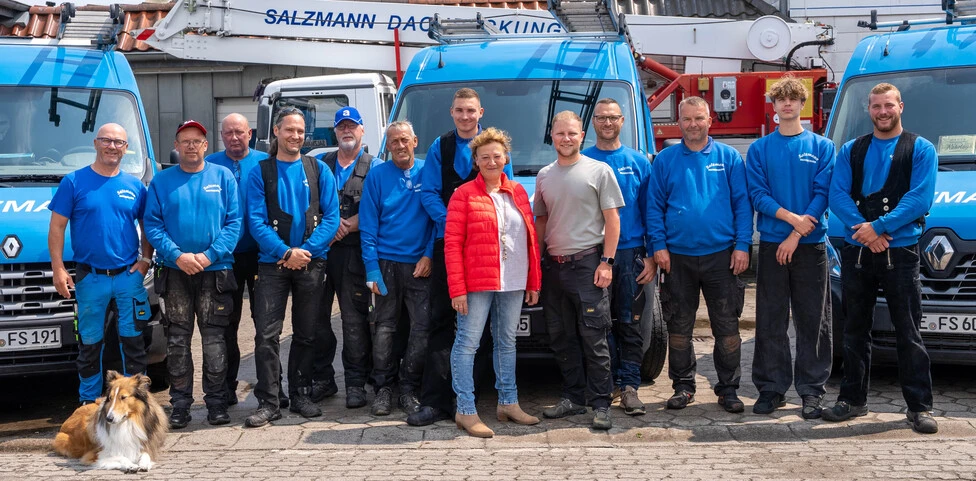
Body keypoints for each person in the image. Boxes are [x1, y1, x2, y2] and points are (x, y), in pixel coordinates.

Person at [823, 82, 939, 434]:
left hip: (901, 253)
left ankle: (919, 407)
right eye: (876, 106)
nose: (883, 112)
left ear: (900, 106)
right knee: (855, 330)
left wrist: (879, 227)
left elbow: (919, 199)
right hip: (858, 251)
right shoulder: (851, 150)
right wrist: (866, 231)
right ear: (868, 110)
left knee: (908, 331)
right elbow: (837, 195)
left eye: (889, 105)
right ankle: (853, 400)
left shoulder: (920, 149)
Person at [414, 88, 514, 426]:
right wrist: (455, 223)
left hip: (487, 250)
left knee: (482, 330)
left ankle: (470, 401)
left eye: (471, 110)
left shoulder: (493, 149)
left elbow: (509, 194)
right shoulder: (439, 147)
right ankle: (435, 402)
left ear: (480, 112)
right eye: (459, 110)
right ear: (452, 112)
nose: (465, 116)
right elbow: (429, 193)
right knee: (442, 322)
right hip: (449, 245)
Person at [646, 96, 752, 414]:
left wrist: (743, 245)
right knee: (679, 328)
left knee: (728, 329)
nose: (693, 124)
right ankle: (683, 387)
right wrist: (658, 246)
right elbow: (654, 207)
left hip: (722, 256)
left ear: (710, 121)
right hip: (677, 257)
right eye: (687, 119)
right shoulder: (665, 160)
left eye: (699, 118)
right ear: (679, 122)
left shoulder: (729, 157)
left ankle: (729, 389)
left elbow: (742, 205)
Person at [243, 108, 340, 427]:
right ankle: (269, 402)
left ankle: (301, 395)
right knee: (266, 336)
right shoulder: (260, 172)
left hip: (311, 264)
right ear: (276, 131)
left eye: (300, 131)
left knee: (307, 333)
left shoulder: (318, 169)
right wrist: (285, 252)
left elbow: (332, 217)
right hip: (272, 265)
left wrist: (306, 251)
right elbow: (256, 221)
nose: (295, 136)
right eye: (289, 130)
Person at [745, 78, 835, 418]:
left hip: (810, 246)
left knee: (813, 320)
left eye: (793, 99)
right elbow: (758, 195)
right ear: (773, 105)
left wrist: (796, 233)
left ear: (802, 104)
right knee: (771, 319)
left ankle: (811, 391)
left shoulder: (823, 147)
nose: (787, 104)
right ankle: (772, 389)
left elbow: (823, 193)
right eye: (781, 99)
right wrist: (791, 220)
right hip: (772, 244)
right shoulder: (760, 149)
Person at [144, 120, 242, 428]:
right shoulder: (161, 182)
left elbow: (234, 223)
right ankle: (180, 405)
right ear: (176, 146)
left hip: (216, 272)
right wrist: (177, 255)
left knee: (215, 341)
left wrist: (208, 255)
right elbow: (153, 225)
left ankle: (216, 403)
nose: (191, 145)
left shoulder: (223, 177)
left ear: (205, 145)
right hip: (175, 273)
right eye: (184, 141)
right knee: (177, 341)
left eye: (196, 140)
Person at [446, 127, 542, 438]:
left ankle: (508, 403)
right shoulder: (463, 194)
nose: (491, 161)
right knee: (467, 344)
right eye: (484, 157)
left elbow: (530, 239)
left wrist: (533, 281)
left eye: (496, 156)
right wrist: (457, 289)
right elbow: (452, 244)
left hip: (513, 278)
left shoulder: (518, 191)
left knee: (507, 342)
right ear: (475, 161)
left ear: (506, 158)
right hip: (477, 282)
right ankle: (465, 409)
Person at [48, 123, 154, 405]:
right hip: (90, 278)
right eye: (106, 140)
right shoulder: (73, 182)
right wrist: (58, 268)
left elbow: (147, 225)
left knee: (133, 342)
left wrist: (145, 260)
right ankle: (89, 403)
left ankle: (136, 403)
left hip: (128, 277)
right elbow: (57, 227)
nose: (112, 146)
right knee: (90, 345)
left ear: (126, 148)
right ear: (95, 143)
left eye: (119, 142)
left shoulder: (135, 186)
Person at [535, 110, 624, 430]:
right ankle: (573, 398)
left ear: (582, 135)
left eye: (572, 133)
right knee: (561, 337)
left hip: (588, 265)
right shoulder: (544, 176)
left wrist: (607, 262)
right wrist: (537, 263)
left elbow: (613, 220)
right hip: (554, 267)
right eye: (560, 133)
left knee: (594, 338)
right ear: (552, 136)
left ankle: (600, 404)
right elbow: (541, 221)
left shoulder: (599, 171)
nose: (566, 138)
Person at [580, 98, 654, 416]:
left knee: (630, 323)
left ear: (622, 121)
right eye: (601, 118)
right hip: (592, 253)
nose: (607, 123)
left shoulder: (638, 162)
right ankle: (607, 384)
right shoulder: (582, 161)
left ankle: (630, 387)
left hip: (631, 254)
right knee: (600, 324)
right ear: (593, 123)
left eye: (613, 118)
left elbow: (651, 210)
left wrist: (652, 255)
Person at [360, 121, 435, 417]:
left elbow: (437, 219)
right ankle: (383, 388)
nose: (400, 146)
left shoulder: (429, 170)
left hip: (420, 265)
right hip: (386, 263)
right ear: (388, 146)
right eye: (394, 141)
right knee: (384, 328)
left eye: (405, 140)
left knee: (422, 327)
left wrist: (429, 255)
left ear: (415, 141)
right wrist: (371, 269)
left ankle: (409, 388)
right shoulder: (377, 175)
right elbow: (368, 225)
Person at [315, 106, 383, 408]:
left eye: (352, 125)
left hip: (356, 253)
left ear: (362, 130)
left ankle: (355, 384)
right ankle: (322, 379)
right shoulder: (320, 165)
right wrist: (329, 228)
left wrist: (347, 225)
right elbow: (310, 204)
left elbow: (380, 208)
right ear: (335, 131)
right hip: (321, 251)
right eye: (341, 126)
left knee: (354, 322)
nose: (347, 131)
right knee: (316, 320)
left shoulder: (376, 167)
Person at [205, 113, 271, 407]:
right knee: (226, 326)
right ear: (221, 136)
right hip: (224, 259)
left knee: (265, 324)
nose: (234, 138)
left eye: (239, 132)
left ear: (250, 134)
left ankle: (271, 387)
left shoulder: (265, 162)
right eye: (228, 133)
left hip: (260, 256)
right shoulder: (210, 165)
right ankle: (226, 388)